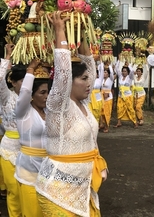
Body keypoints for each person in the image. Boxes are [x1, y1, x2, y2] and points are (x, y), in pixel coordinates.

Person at [35, 11, 107, 216]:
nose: (88, 82)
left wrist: (81, 33)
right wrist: (60, 30)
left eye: (88, 79)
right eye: (83, 79)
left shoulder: (83, 103)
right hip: (56, 192)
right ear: (68, 83)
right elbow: (64, 72)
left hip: (83, 189)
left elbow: (90, 67)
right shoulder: (59, 105)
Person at [15, 58, 50, 217]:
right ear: (32, 95)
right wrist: (30, 71)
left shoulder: (49, 112)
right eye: (42, 92)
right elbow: (24, 93)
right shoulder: (24, 112)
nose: (47, 96)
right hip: (28, 172)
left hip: (48, 172)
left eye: (48, 92)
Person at [0, 44, 25, 217]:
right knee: (14, 191)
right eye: (22, 80)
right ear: (13, 82)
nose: (26, 84)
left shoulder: (36, 99)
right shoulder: (7, 97)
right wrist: (7, 56)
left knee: (27, 191)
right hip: (9, 148)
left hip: (30, 151)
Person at [114, 56, 138, 128]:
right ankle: (119, 122)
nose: (124, 72)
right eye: (123, 71)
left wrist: (128, 64)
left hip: (128, 96)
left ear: (127, 72)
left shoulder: (130, 77)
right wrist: (119, 60)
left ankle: (134, 122)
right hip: (121, 96)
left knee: (130, 109)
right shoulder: (120, 77)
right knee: (119, 108)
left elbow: (131, 71)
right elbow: (116, 69)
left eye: (125, 71)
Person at [100, 64, 114, 133]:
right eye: (104, 72)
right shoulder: (101, 80)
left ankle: (107, 126)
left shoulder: (111, 79)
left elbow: (111, 72)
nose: (104, 73)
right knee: (102, 112)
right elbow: (100, 70)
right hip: (102, 96)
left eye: (106, 72)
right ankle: (102, 124)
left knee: (107, 112)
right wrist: (102, 64)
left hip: (108, 97)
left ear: (108, 74)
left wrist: (110, 66)